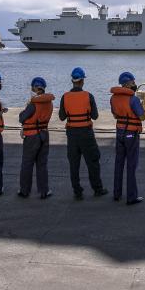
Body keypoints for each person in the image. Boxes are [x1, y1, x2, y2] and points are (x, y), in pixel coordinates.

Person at [59, 67, 108, 200]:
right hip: (86, 133)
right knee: (92, 161)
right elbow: (95, 116)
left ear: (72, 81)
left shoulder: (65, 97)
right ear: (82, 81)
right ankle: (97, 189)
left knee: (74, 164)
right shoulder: (89, 96)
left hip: (72, 134)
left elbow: (62, 117)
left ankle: (77, 191)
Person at [110, 71, 145, 205]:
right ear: (127, 83)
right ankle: (131, 196)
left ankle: (116, 193)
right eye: (133, 82)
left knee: (118, 163)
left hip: (119, 132)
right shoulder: (134, 99)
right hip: (131, 134)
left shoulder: (113, 98)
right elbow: (142, 117)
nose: (135, 84)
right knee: (131, 165)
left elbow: (114, 114)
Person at [17, 77, 55, 199]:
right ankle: (44, 190)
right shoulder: (49, 103)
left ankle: (24, 190)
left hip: (32, 136)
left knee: (27, 163)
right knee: (42, 164)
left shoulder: (33, 104)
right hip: (44, 134)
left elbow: (22, 118)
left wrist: (26, 107)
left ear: (35, 88)